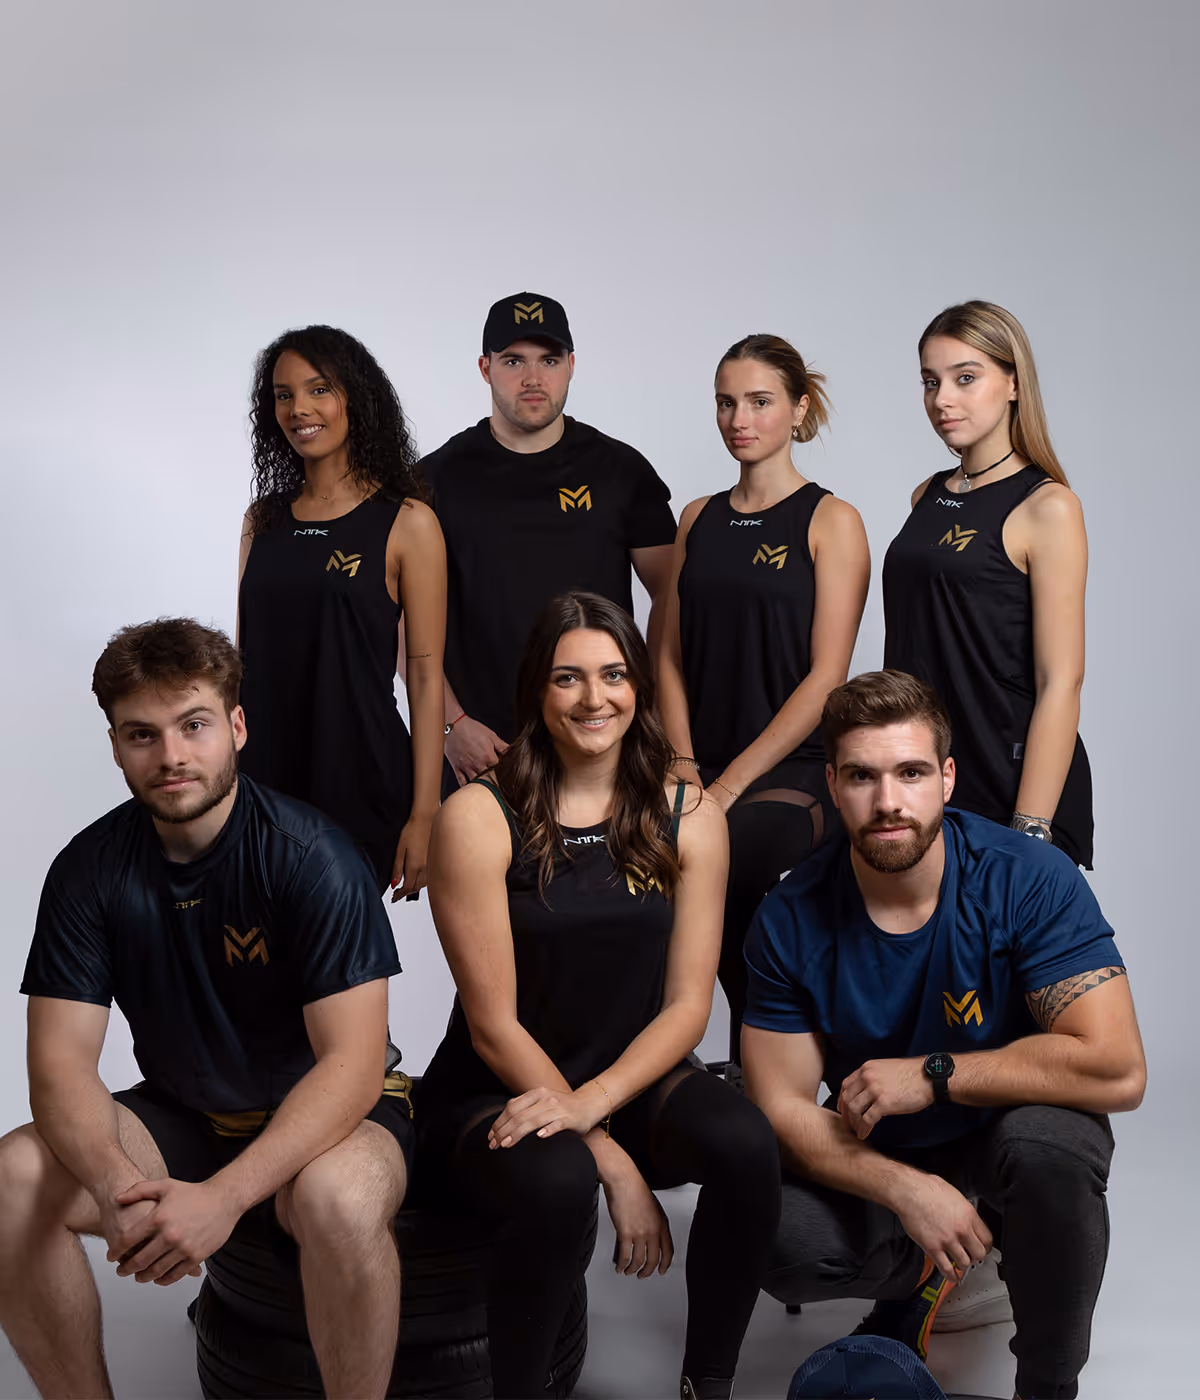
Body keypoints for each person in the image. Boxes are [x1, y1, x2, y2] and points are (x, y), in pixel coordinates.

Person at [0, 620, 412, 1400]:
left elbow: (353, 1066)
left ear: (236, 727)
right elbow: (57, 1068)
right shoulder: (87, 871)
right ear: (116, 747)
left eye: (193, 725)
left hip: (333, 1115)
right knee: (13, 1178)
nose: (171, 756)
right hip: (186, 1117)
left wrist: (223, 1200)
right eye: (141, 735)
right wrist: (122, 1192)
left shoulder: (312, 857)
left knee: (335, 1197)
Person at [416, 592, 781, 1400]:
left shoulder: (690, 815)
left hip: (631, 1078)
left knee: (748, 1145)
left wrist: (598, 1108)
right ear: (537, 694)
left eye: (614, 675)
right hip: (497, 1091)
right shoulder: (478, 817)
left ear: (639, 688)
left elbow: (689, 1006)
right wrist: (605, 1155)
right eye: (568, 679)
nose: (594, 699)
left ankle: (706, 1385)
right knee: (558, 1183)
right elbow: (491, 1024)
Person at [741, 671, 1145, 1400]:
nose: (889, 801)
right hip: (885, 1147)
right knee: (775, 1238)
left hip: (1009, 1132)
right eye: (862, 776)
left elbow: (1118, 1068)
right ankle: (928, 1266)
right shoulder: (789, 913)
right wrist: (907, 1190)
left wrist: (933, 1072)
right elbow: (782, 1107)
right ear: (832, 784)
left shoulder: (1028, 876)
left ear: (947, 778)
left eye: (912, 772)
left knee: (1051, 1151)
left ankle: (1047, 1385)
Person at [658, 334, 870, 1061]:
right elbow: (668, 656)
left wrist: (725, 787)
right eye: (726, 402)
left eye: (759, 401)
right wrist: (685, 763)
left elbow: (827, 679)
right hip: (698, 764)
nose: (738, 418)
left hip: (798, 767)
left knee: (722, 864)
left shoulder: (830, 521)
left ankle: (782, 1061)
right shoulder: (696, 518)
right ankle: (758, 1068)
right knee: (642, 874)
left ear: (798, 409)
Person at [417, 292, 677, 786]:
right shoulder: (435, 480)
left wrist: (651, 706)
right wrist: (450, 723)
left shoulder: (620, 471)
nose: (533, 378)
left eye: (549, 360)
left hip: (602, 735)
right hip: (484, 749)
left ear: (572, 365)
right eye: (513, 361)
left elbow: (673, 595)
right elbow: (406, 620)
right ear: (484, 367)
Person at [238, 324, 446, 896]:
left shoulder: (407, 522)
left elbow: (426, 682)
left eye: (318, 389)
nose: (298, 408)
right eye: (283, 395)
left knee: (340, 969)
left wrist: (424, 815)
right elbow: (241, 666)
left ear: (357, 396)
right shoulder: (263, 522)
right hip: (261, 784)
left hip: (361, 781)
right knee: (263, 971)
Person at [883, 300, 1093, 867]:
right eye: (931, 381)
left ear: (1014, 383)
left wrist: (1029, 832)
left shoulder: (1048, 506)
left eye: (965, 378)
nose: (942, 399)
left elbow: (1061, 681)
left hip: (1009, 786)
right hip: (926, 782)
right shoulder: (925, 495)